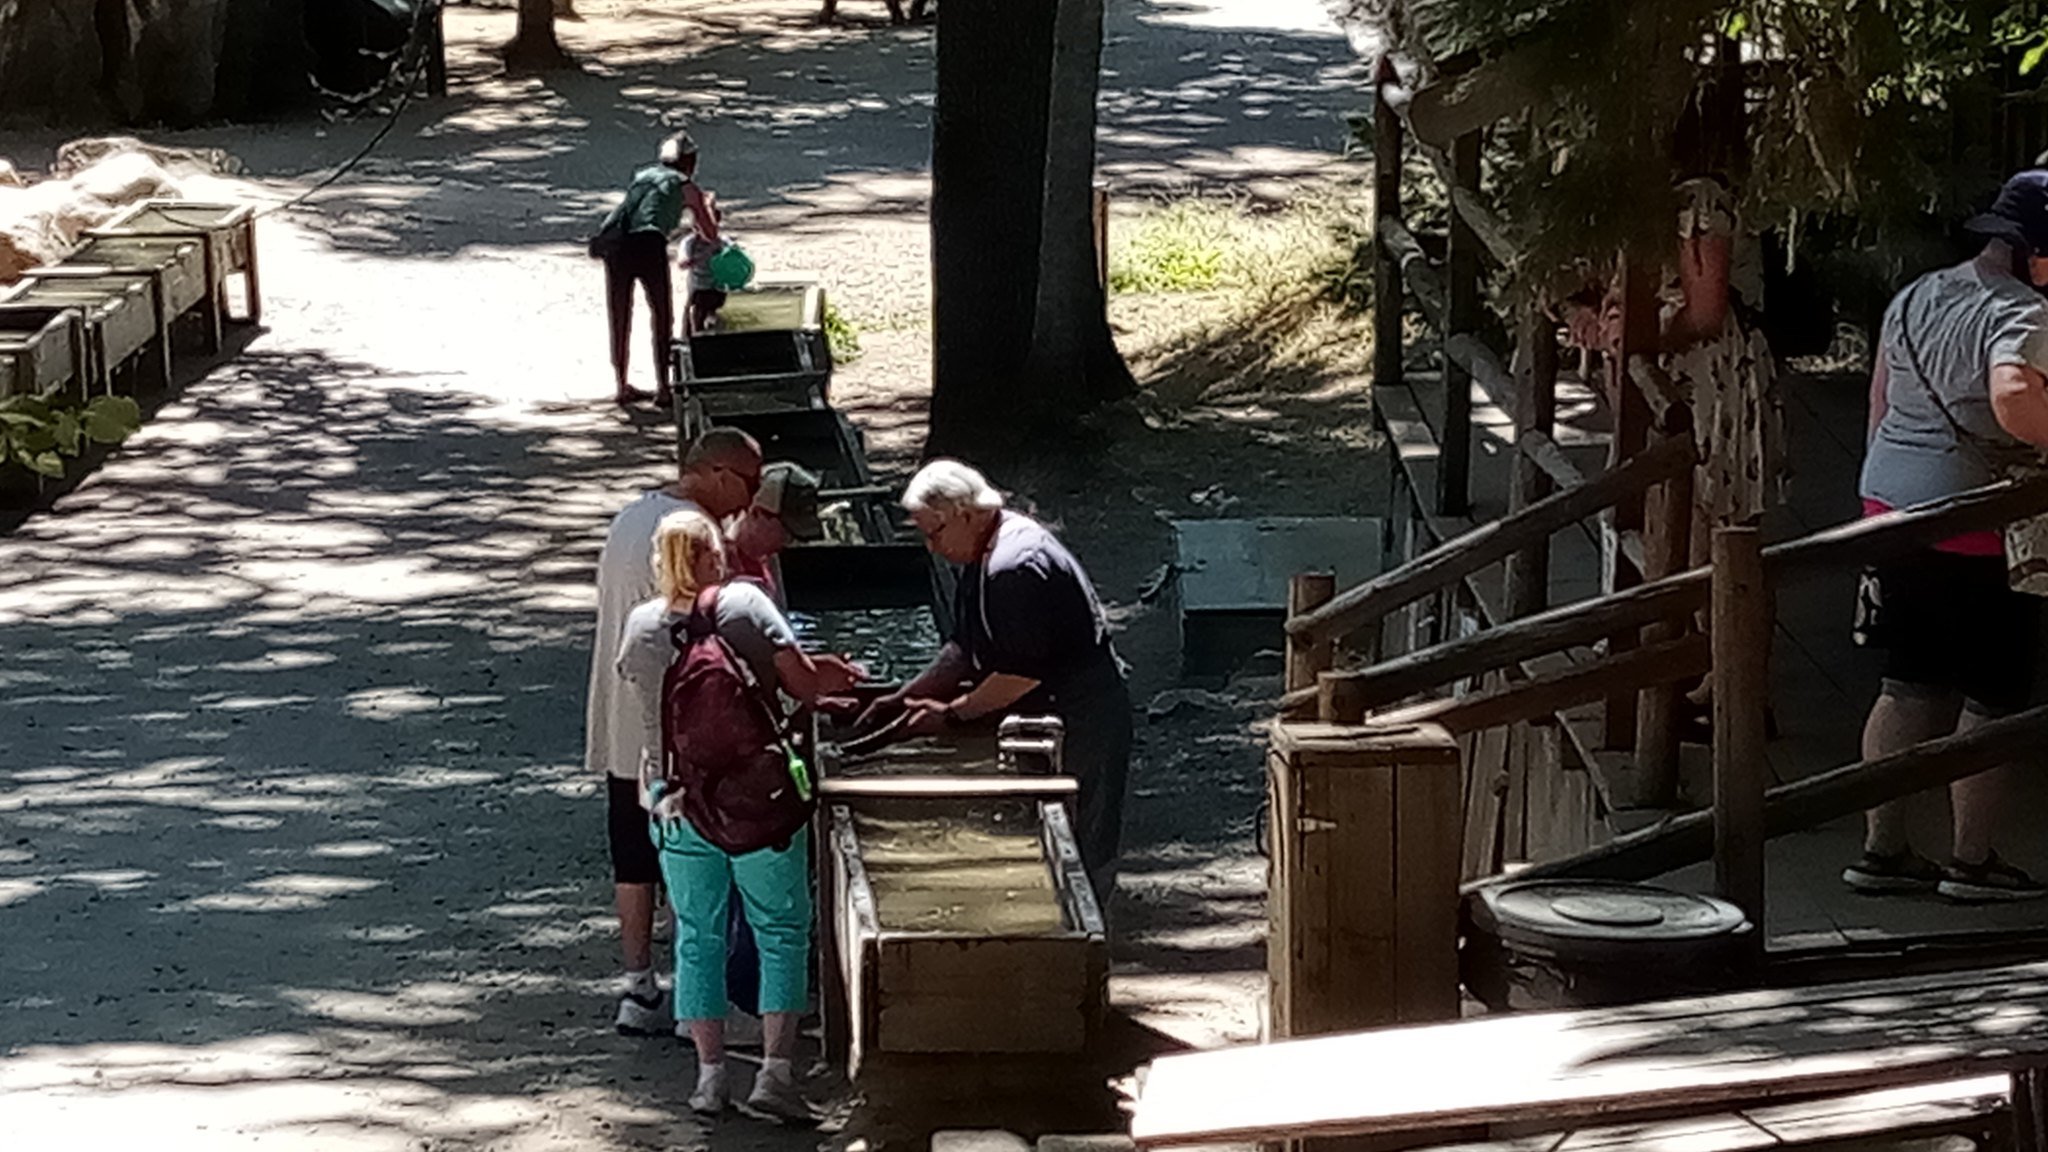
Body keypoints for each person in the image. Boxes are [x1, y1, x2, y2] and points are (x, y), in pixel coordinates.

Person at [616, 509, 859, 1121]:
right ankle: (776, 1073)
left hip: (674, 801)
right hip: (759, 802)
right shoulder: (746, 606)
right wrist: (834, 677)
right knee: (780, 932)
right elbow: (803, 685)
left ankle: (709, 1080)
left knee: (697, 937)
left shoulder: (641, 627)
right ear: (713, 555)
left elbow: (639, 690)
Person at [1845, 169, 2048, 902]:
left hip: (1890, 508)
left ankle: (1882, 848)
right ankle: (1972, 861)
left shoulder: (1917, 294)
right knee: (1992, 691)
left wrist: (1877, 501)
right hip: (1975, 521)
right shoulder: (2021, 311)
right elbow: (2014, 394)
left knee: (1907, 682)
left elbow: (1880, 399)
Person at [859, 460, 1132, 909]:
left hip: (1083, 717)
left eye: (935, 533)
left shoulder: (1013, 567)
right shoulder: (979, 553)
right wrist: (907, 696)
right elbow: (963, 648)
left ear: (966, 513)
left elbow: (1019, 674)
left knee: (1083, 842)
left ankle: (1087, 949)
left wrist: (951, 715)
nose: (932, 547)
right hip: (1046, 713)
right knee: (1039, 835)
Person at [586, 427, 763, 1035]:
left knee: (633, 860)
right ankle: (699, 999)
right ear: (714, 473)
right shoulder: (699, 535)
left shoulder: (628, 519)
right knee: (696, 862)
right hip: (681, 734)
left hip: (622, 730)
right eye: (747, 483)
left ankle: (638, 989)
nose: (747, 501)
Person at [600, 131, 720, 406]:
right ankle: (664, 388)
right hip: (648, 244)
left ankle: (621, 384)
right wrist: (706, 206)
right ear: (690, 162)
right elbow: (710, 233)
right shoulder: (687, 186)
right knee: (661, 313)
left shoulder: (642, 176)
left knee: (619, 313)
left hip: (614, 243)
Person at [727, 462, 825, 598]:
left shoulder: (769, 560)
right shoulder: (714, 560)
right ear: (756, 513)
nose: (788, 542)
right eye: (785, 532)